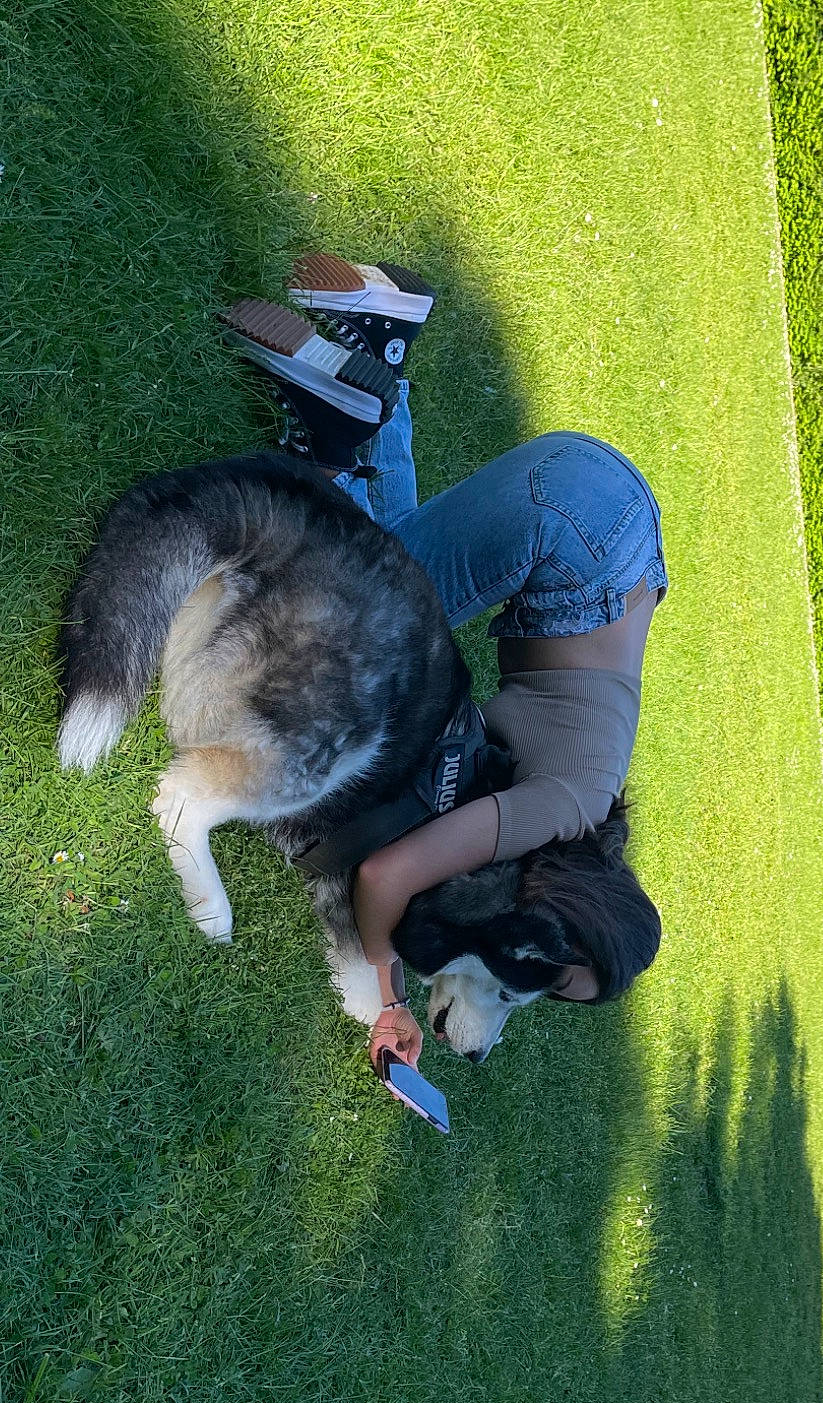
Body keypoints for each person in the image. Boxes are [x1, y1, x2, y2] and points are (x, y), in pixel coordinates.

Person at [220, 255, 665, 1072]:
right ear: (566, 916)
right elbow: (388, 873)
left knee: (397, 585)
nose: (518, 972)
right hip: (577, 541)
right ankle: (328, 434)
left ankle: (383, 339)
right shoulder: (555, 811)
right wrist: (387, 1001)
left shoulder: (584, 817)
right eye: (536, 979)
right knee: (359, 608)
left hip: (613, 524)